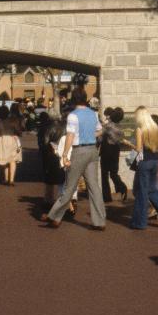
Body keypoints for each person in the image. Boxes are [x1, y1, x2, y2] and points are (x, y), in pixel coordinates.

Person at [44, 88, 106, 230]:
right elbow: (100, 130)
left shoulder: (73, 115)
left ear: (74, 100)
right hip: (92, 150)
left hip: (79, 151)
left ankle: (54, 216)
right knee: (94, 187)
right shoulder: (93, 114)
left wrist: (65, 154)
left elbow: (70, 136)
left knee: (69, 186)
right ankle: (99, 221)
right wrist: (90, 136)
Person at [129, 109, 158, 230]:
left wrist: (129, 144)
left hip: (144, 162)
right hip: (155, 160)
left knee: (141, 193)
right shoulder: (154, 128)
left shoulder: (140, 129)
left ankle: (139, 222)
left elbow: (138, 149)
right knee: (152, 188)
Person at [36, 105, 65, 217]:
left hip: (50, 155)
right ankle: (62, 200)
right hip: (63, 153)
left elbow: (45, 142)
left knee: (49, 179)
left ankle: (48, 199)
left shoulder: (47, 127)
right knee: (62, 178)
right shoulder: (64, 126)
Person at [99, 107, 132, 204]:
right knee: (114, 173)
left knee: (104, 175)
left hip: (106, 151)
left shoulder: (108, 126)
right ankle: (122, 188)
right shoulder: (120, 128)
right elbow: (120, 140)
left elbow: (100, 139)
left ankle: (106, 197)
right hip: (115, 151)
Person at [0, 105, 23, 186]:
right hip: (12, 138)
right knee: (13, 160)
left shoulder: (0, 121)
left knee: (5, 160)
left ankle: (6, 178)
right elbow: (18, 130)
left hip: (3, 140)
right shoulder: (13, 120)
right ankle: (11, 180)